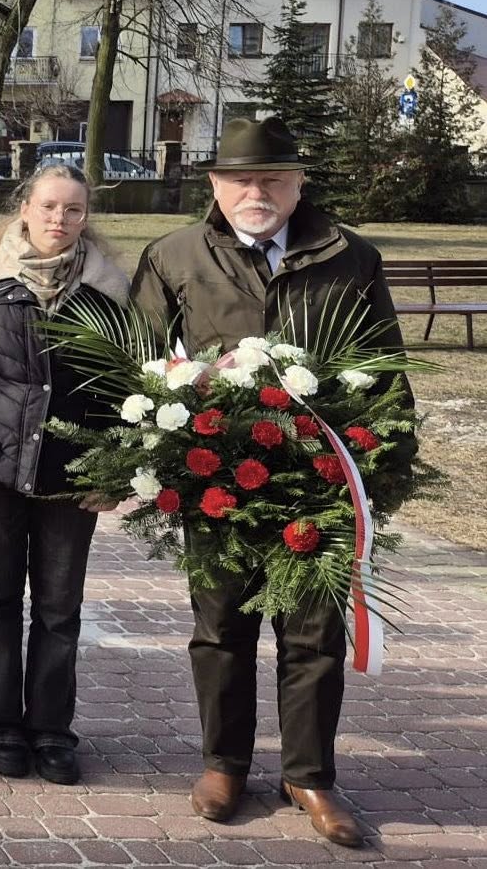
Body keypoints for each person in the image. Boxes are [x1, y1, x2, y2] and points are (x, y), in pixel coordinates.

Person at [131, 115, 409, 849]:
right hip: (214, 476)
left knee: (314, 635)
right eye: (241, 180)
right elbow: (139, 364)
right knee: (220, 628)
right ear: (216, 185)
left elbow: (386, 370)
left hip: (320, 479)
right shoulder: (175, 254)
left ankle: (310, 776)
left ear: (298, 183)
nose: (257, 192)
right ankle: (224, 764)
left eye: (274, 180)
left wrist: (385, 469)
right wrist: (160, 454)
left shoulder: (351, 256)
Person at [0, 165, 127, 785]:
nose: (59, 220)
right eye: (48, 207)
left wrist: (116, 469)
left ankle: (51, 730)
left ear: (86, 215)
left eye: (73, 210)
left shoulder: (110, 291)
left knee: (59, 607)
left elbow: (126, 387)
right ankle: (0, 726)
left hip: (75, 468)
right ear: (25, 208)